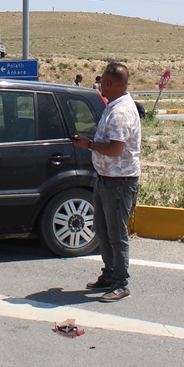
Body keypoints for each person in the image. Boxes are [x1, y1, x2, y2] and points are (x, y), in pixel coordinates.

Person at [73, 62, 141, 303]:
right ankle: (110, 273)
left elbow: (115, 149)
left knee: (116, 234)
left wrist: (89, 144)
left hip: (119, 182)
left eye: (102, 80)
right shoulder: (114, 107)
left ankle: (121, 283)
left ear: (109, 83)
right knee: (102, 230)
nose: (99, 84)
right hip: (106, 179)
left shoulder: (121, 111)